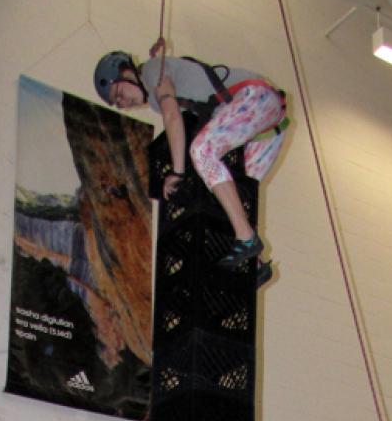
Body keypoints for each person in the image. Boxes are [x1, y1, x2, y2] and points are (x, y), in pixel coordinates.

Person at [94, 48, 287, 288]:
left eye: (120, 93)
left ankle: (247, 240)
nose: (123, 102)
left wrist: (177, 172)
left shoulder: (153, 70)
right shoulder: (159, 77)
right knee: (229, 195)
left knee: (201, 151)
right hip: (271, 125)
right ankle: (255, 266)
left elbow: (173, 118)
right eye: (118, 103)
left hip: (253, 98)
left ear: (127, 72)